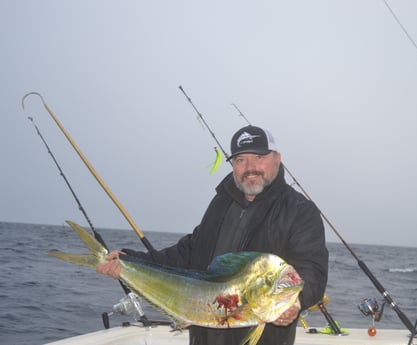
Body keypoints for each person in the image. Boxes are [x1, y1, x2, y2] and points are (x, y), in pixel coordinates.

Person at [97, 125, 329, 345]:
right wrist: (130, 261)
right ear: (233, 166)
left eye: (259, 157)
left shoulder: (299, 210)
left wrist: (295, 304)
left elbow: (313, 270)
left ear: (277, 159)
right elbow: (190, 251)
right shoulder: (221, 202)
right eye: (240, 160)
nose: (250, 167)